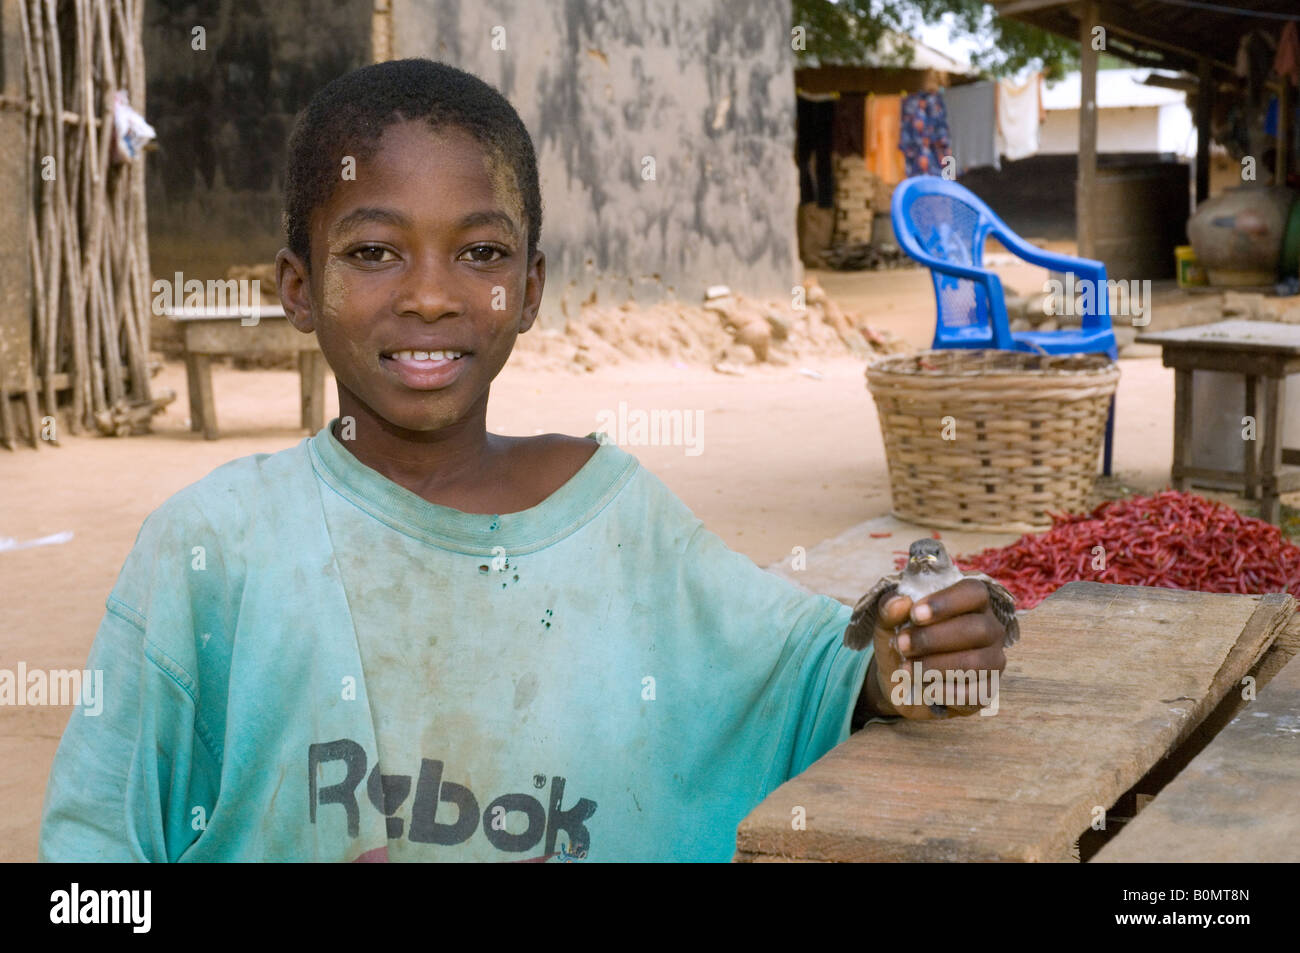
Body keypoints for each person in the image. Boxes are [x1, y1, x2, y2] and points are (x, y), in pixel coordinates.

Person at [40, 59, 1008, 862]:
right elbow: (94, 851)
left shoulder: (615, 516)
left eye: (480, 254)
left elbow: (800, 671)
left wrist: (908, 656)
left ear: (530, 286)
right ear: (299, 287)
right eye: (374, 252)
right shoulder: (212, 547)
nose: (429, 295)